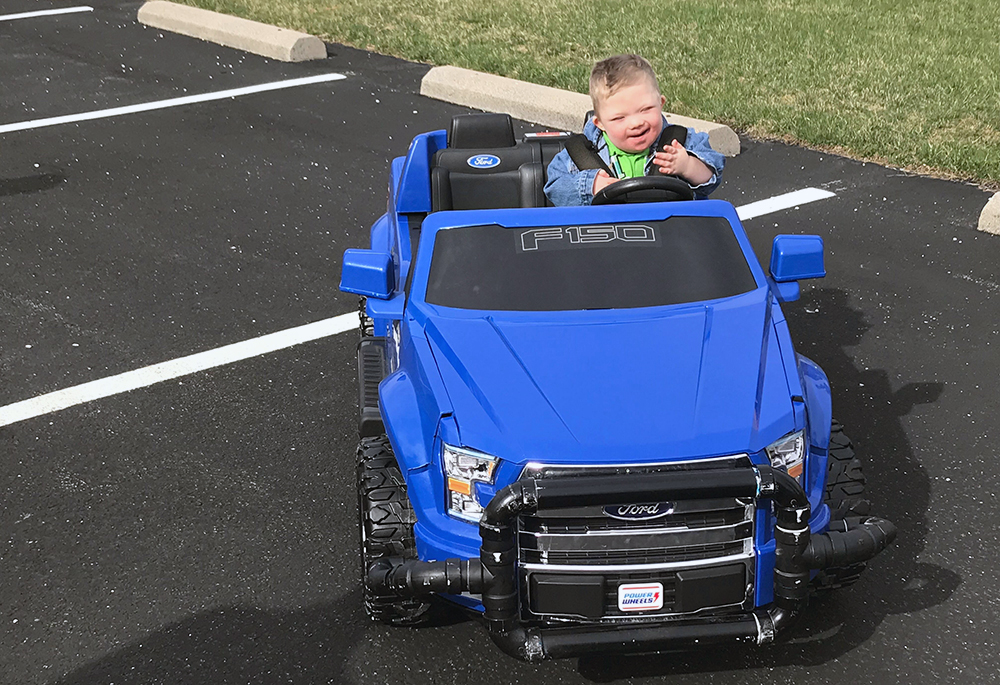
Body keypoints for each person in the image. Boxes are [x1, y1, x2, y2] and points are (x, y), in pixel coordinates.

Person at [544, 54, 724, 206]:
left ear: (660, 104)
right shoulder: (580, 155)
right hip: (609, 237)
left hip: (672, 233)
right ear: (600, 123)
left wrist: (688, 166)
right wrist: (590, 185)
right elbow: (554, 187)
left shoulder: (680, 143)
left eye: (646, 109)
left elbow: (711, 176)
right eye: (619, 118)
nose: (636, 123)